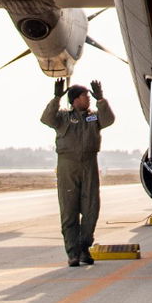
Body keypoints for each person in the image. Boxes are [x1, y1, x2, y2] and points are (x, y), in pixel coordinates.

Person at [42, 79, 114, 266]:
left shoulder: (94, 117)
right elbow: (47, 119)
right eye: (85, 96)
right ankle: (73, 253)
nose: (88, 99)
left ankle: (84, 247)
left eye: (89, 97)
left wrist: (101, 100)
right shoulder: (63, 117)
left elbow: (108, 120)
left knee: (91, 209)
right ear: (74, 100)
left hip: (89, 163)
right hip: (67, 165)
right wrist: (57, 97)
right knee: (69, 210)